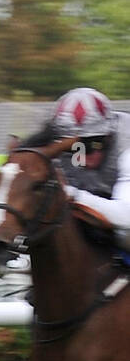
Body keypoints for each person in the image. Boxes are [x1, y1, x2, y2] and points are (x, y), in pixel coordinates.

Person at [41, 87, 130, 249]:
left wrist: (71, 194)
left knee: (125, 236)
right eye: (75, 147)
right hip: (102, 204)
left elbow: (126, 217)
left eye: (94, 144)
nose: (83, 158)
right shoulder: (59, 147)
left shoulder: (127, 143)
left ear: (110, 134)